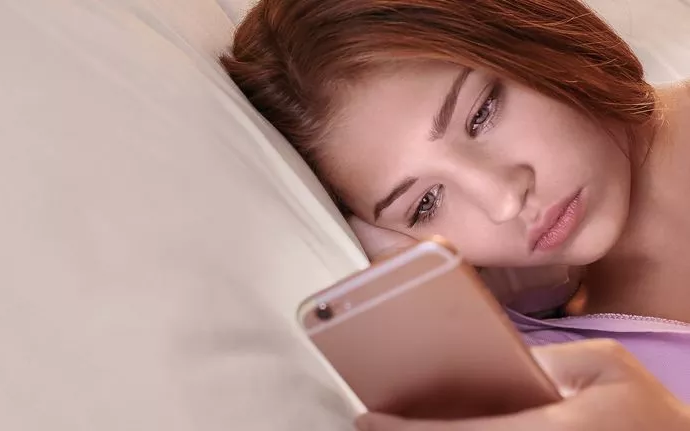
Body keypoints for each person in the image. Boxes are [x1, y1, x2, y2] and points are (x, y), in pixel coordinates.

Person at [220, 0, 690, 428]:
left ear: (533, 31)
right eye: (425, 204)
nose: (503, 200)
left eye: (481, 114)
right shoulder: (535, 367)